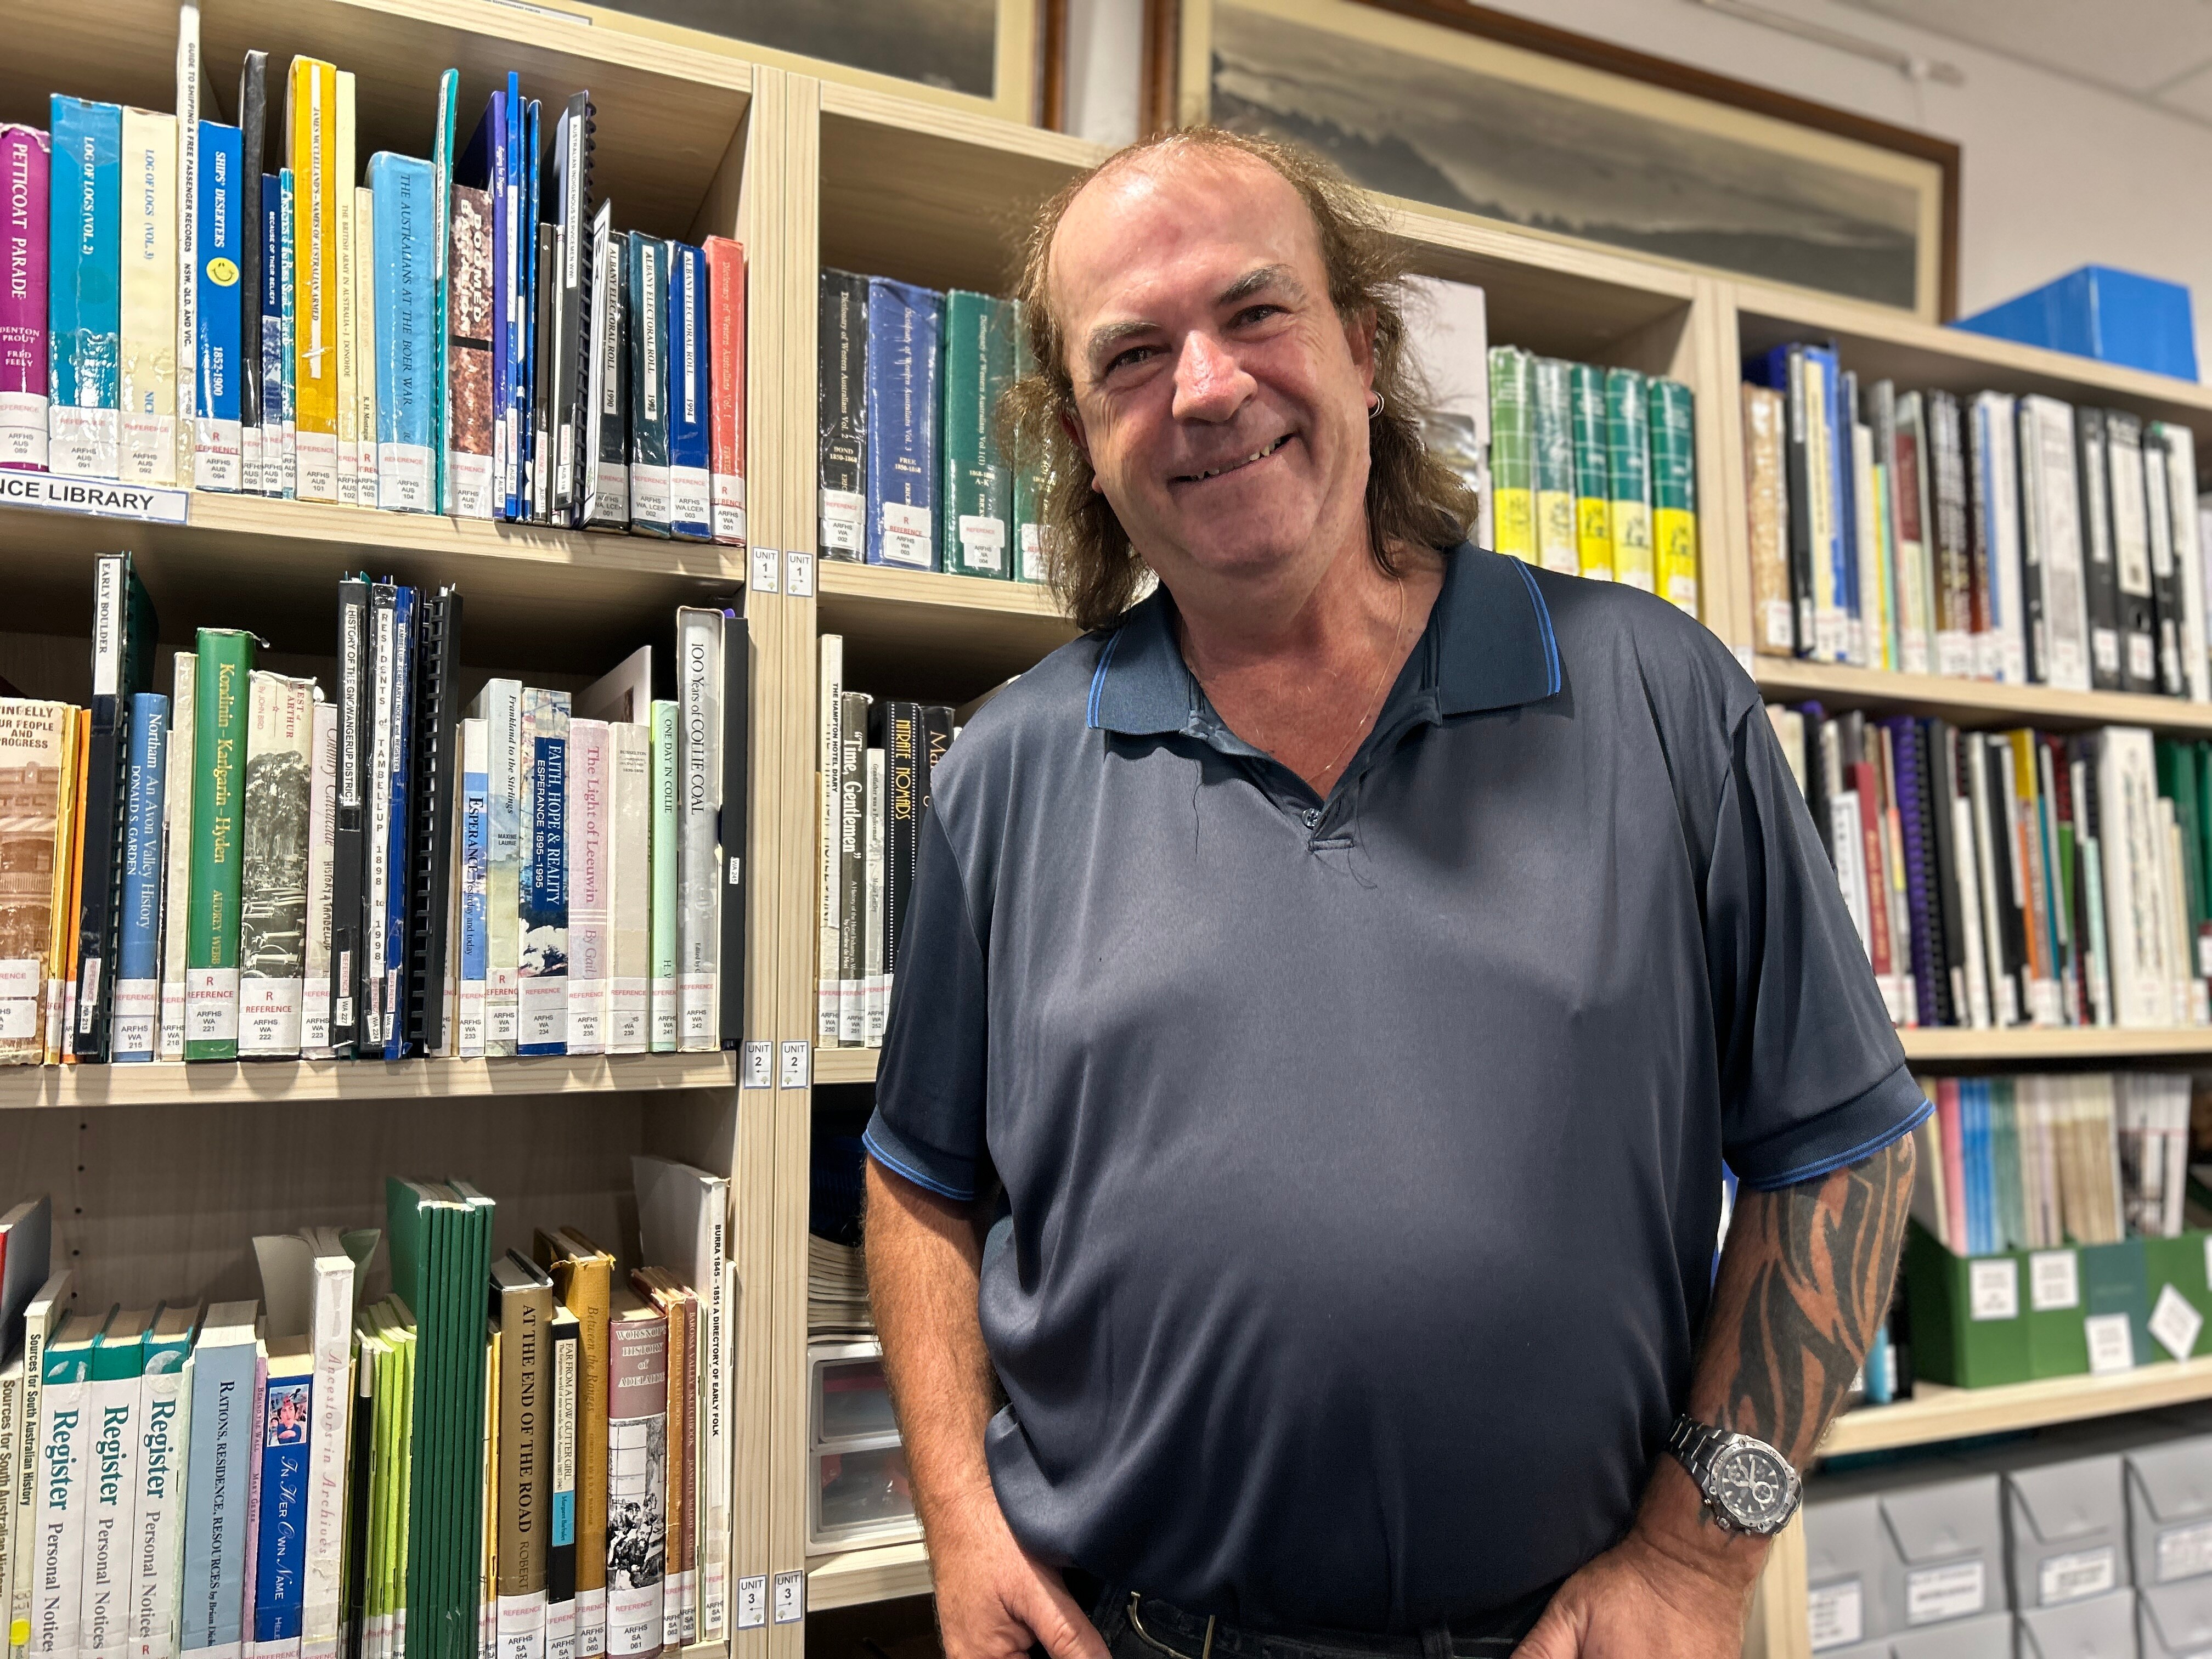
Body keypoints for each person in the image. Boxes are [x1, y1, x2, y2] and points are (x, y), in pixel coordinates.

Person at [861, 126, 1922, 1659]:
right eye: (1133, 357)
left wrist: (1699, 1564)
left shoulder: (1652, 697)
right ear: (1087, 441)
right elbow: (920, 1182)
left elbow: (1842, 1150)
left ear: (1364, 350)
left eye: (1255, 312)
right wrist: (958, 1514)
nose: (1207, 387)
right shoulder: (1011, 766)